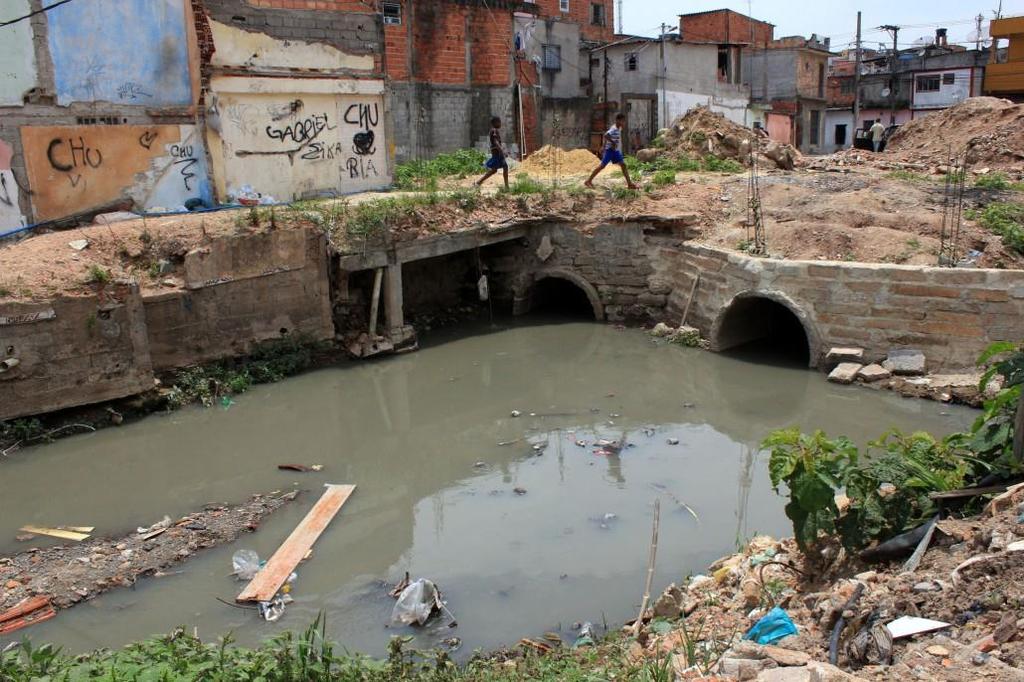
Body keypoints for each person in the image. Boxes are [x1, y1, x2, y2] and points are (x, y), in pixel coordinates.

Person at [585, 113, 638, 190]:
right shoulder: (614, 129)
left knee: (623, 165)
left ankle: (629, 184)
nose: (624, 123)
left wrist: (607, 144)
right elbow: (606, 135)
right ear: (618, 120)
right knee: (602, 166)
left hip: (615, 151)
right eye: (622, 121)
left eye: (624, 121)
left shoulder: (619, 128)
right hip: (609, 151)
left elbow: (607, 136)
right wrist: (610, 144)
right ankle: (588, 181)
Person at [477, 116, 509, 189]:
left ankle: (479, 182)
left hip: (497, 153)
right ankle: (479, 182)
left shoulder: (493, 130)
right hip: (497, 153)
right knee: (499, 168)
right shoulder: (494, 130)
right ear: (495, 123)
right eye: (499, 122)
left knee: (499, 169)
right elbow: (496, 142)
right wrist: (502, 151)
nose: (500, 123)